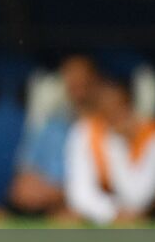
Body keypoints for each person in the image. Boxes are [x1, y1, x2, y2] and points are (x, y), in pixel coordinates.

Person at [64, 74, 155, 224]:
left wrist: (117, 144)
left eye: (117, 107)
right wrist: (112, 213)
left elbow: (138, 198)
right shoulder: (85, 131)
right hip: (111, 211)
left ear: (130, 106)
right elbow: (80, 194)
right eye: (104, 109)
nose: (112, 117)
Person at [8, 54, 99, 216]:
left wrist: (69, 196)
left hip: (93, 212)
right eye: (71, 77)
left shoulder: (107, 127)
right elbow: (21, 186)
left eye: (82, 77)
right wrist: (56, 196)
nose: (76, 83)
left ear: (94, 79)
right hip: (46, 211)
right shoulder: (52, 126)